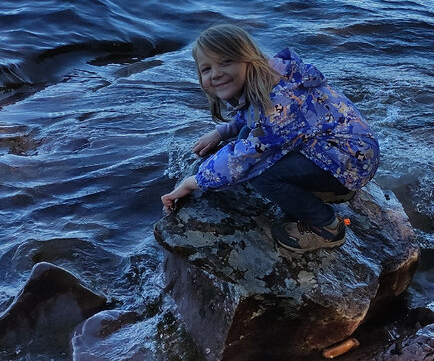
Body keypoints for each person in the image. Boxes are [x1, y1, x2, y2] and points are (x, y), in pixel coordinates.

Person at [161, 24, 379, 253]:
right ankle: (331, 189)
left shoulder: (279, 105)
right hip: (348, 152)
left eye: (225, 62)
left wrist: (193, 182)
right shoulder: (273, 76)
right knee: (246, 135)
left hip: (349, 163)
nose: (215, 74)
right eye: (206, 69)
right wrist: (221, 132)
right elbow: (253, 117)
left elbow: (242, 159)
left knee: (261, 174)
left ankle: (326, 226)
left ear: (248, 59)